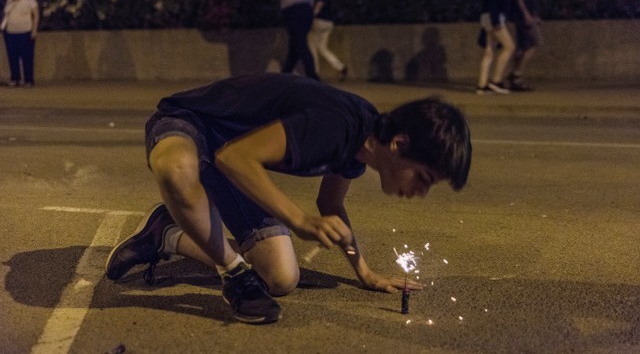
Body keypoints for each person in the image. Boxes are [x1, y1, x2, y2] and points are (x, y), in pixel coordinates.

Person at [105, 72, 472, 325]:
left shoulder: (362, 147)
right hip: (189, 124)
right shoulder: (337, 126)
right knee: (176, 169)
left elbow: (330, 206)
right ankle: (233, 274)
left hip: (230, 157)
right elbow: (235, 158)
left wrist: (365, 273)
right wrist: (299, 221)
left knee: (281, 278)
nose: (421, 192)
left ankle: (167, 233)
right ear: (400, 144)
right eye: (423, 178)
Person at [251, 0, 319, 81]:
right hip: (306, 11)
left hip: (295, 12)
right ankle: (286, 74)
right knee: (295, 45)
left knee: (300, 44)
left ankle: (312, 76)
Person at [476, 0, 515, 95]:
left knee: (489, 51)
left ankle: (482, 86)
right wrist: (496, 20)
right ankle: (496, 81)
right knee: (509, 47)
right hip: (493, 17)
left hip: (491, 16)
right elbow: (492, 0)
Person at [308, 0, 348, 81]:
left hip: (319, 20)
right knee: (322, 48)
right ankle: (340, 67)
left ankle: (314, 73)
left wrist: (311, 16)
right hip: (329, 22)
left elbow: (319, 4)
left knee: (312, 47)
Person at [508, 0, 543, 91]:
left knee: (524, 46)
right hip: (522, 16)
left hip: (528, 14)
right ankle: (516, 75)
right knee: (533, 43)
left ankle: (515, 76)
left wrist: (534, 13)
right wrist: (526, 14)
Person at [2, 0, 38, 88]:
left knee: (27, 56)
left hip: (25, 31)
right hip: (10, 32)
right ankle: (15, 78)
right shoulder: (10, 0)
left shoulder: (29, 0)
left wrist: (34, 30)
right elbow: (6, 15)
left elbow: (36, 16)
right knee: (12, 56)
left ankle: (28, 80)